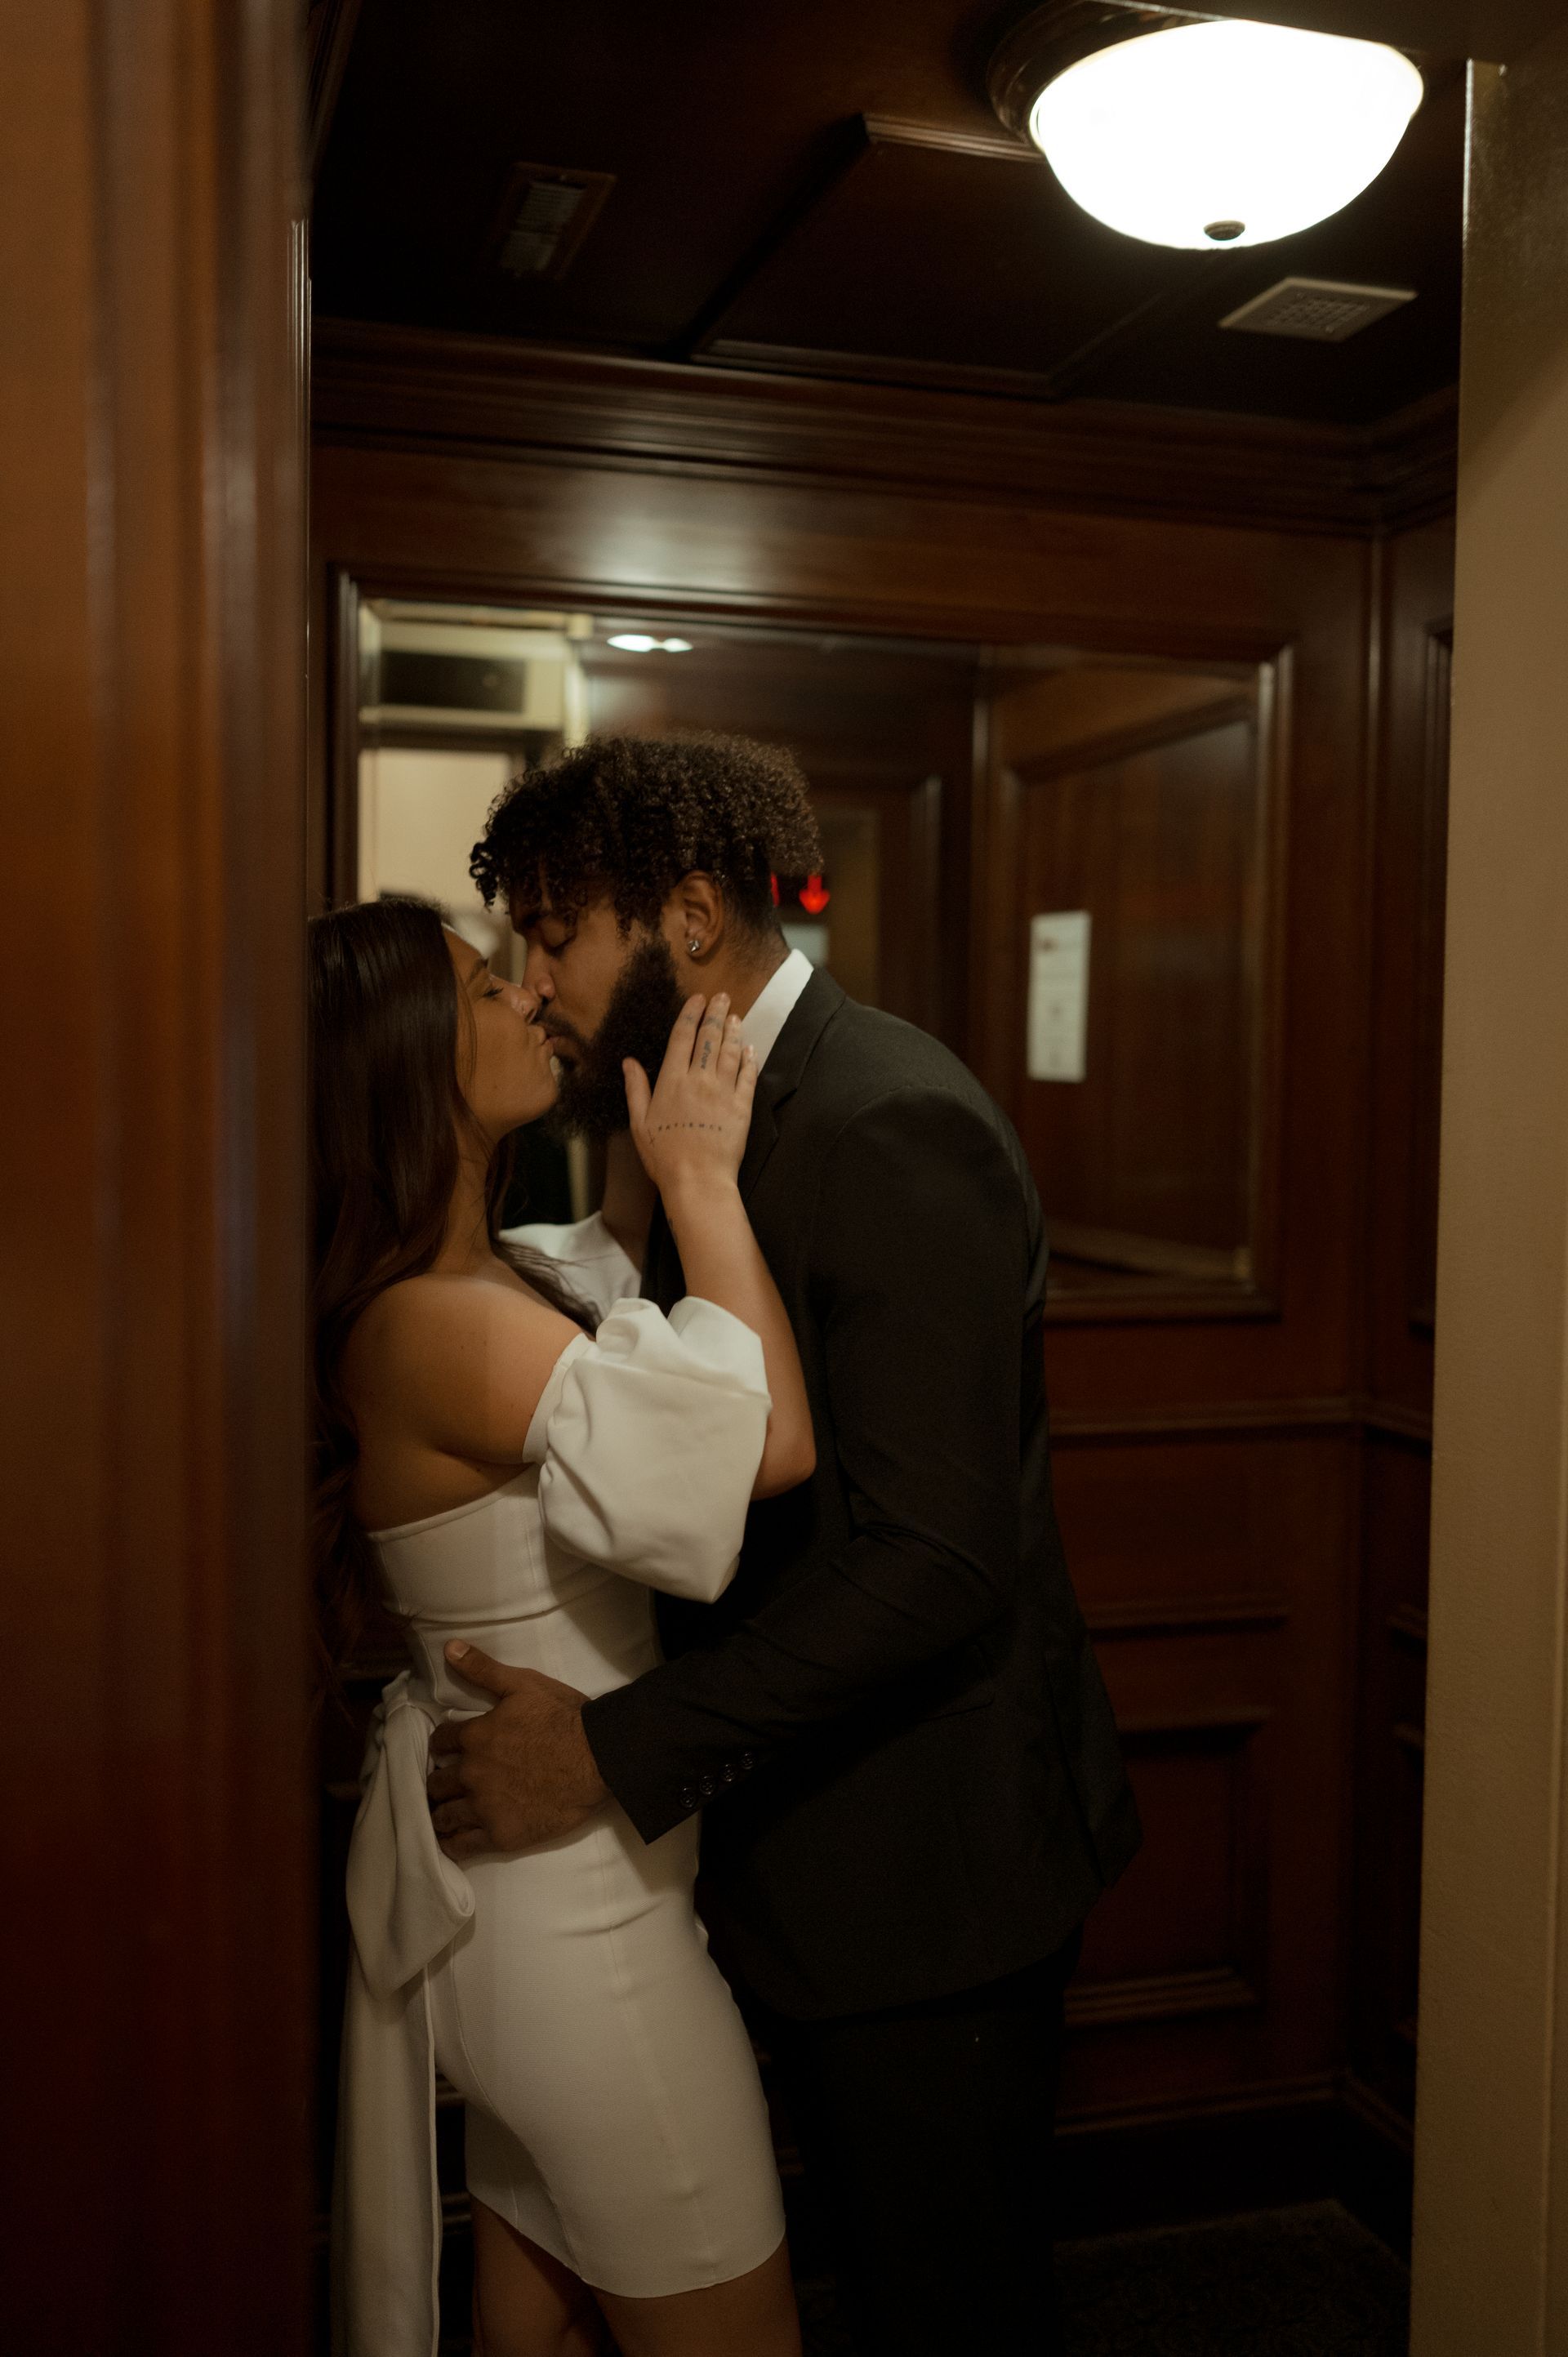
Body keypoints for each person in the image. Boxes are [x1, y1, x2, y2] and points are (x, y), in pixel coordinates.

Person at [430, 731, 1143, 2356]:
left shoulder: (893, 1118)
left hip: (928, 1875)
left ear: (688, 917)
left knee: (952, 2309)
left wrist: (614, 1749)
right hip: (780, 1849)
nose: (534, 983)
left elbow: (938, 1558)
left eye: (556, 935)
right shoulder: (659, 1122)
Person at [310, 896, 814, 2357]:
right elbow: (766, 1447)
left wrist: (647, 1081)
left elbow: (608, 1264)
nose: (530, 996)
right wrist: (707, 1178)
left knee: (538, 2328)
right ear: (406, 1063)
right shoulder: (441, 1324)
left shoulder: (478, 1282)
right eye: (487, 989)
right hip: (588, 1943)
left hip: (525, 1917)